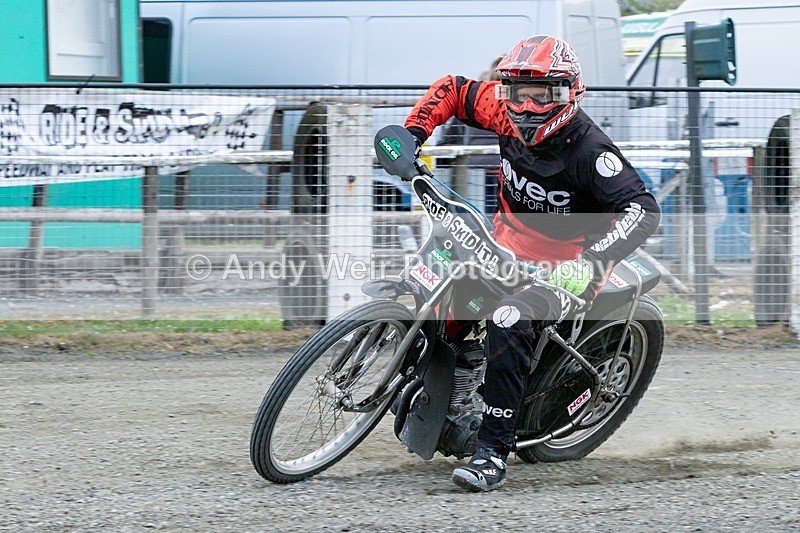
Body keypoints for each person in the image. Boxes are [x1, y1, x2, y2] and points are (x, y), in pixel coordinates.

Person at [402, 35, 661, 491]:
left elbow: (643, 209)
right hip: (506, 246)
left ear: (568, 92)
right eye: (518, 91)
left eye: (541, 93)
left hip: (573, 269)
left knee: (510, 317)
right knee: (446, 287)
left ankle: (491, 454)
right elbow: (452, 89)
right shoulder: (504, 112)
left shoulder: (590, 151)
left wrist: (592, 262)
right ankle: (459, 383)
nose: (527, 104)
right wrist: (412, 132)